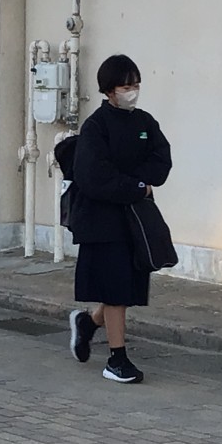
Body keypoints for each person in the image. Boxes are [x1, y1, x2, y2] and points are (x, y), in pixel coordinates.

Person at [68, 54, 172, 384]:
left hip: (134, 219)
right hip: (101, 220)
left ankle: (88, 323)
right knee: (115, 289)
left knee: (125, 287)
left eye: (136, 85)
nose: (132, 92)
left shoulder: (144, 123)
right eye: (126, 86)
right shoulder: (96, 126)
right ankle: (117, 358)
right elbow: (94, 176)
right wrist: (136, 186)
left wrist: (136, 183)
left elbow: (161, 160)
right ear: (109, 90)